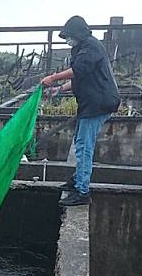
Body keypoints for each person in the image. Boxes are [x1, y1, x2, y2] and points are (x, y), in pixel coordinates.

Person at [41, 15, 120, 206]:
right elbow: (79, 77)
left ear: (78, 33)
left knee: (84, 146)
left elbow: (78, 70)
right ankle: (77, 180)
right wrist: (60, 89)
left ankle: (82, 191)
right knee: (80, 141)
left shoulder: (91, 46)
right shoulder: (82, 48)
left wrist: (54, 77)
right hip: (91, 103)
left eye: (69, 35)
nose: (68, 40)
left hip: (98, 103)